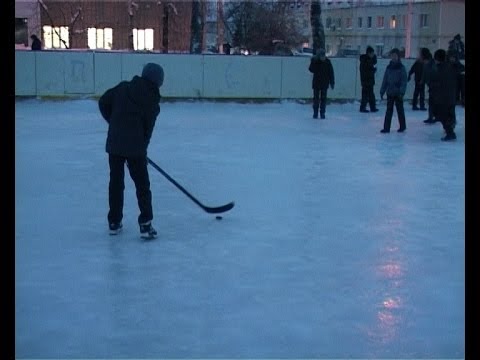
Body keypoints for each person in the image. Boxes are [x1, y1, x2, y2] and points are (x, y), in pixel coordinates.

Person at [98, 63, 164, 238]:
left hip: (115, 144)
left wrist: (114, 124)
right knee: (142, 185)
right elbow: (147, 130)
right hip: (135, 149)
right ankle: (145, 224)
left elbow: (103, 102)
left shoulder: (123, 88)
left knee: (116, 183)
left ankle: (114, 221)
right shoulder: (152, 101)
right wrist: (142, 148)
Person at [429, 49, 458, 141]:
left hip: (443, 98)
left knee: (442, 115)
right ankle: (450, 130)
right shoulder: (448, 67)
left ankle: (450, 132)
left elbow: (438, 83)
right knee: (447, 114)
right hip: (449, 96)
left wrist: (432, 87)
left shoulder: (440, 69)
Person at [379, 48, 407, 133]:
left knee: (400, 110)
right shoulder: (389, 67)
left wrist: (401, 92)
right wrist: (382, 90)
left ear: (398, 57)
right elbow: (385, 80)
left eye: (395, 56)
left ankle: (402, 126)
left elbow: (404, 81)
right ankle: (386, 128)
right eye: (392, 56)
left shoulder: (401, 68)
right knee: (389, 111)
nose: (393, 57)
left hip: (398, 93)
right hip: (390, 92)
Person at [308, 48, 335, 119]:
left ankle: (322, 113)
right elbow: (311, 69)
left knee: (323, 99)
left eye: (324, 55)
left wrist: (332, 82)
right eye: (322, 56)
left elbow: (331, 73)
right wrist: (313, 61)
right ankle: (315, 113)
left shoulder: (328, 62)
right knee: (316, 99)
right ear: (319, 56)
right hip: (317, 83)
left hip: (324, 83)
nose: (323, 57)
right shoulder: (315, 62)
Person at [359, 46, 379, 113]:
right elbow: (366, 72)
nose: (373, 55)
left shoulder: (367, 60)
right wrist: (373, 71)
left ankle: (371, 107)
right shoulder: (365, 61)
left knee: (370, 95)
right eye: (372, 53)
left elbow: (374, 62)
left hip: (368, 81)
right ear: (369, 53)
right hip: (366, 80)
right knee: (366, 95)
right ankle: (364, 108)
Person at [420, 48, 437, 124]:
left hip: (435, 85)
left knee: (433, 102)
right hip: (431, 85)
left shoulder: (432, 63)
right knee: (432, 102)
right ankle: (432, 116)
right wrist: (422, 81)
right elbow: (424, 72)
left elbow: (434, 73)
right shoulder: (427, 63)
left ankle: (434, 116)